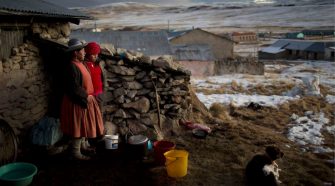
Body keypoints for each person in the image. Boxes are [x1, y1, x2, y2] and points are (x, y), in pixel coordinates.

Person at [60, 38, 104, 160]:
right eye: (83, 50)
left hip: (85, 100)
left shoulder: (81, 63)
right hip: (77, 101)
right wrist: (86, 96)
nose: (85, 52)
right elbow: (73, 87)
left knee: (84, 125)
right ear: (75, 52)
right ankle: (75, 153)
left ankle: (83, 146)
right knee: (78, 127)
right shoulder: (71, 67)